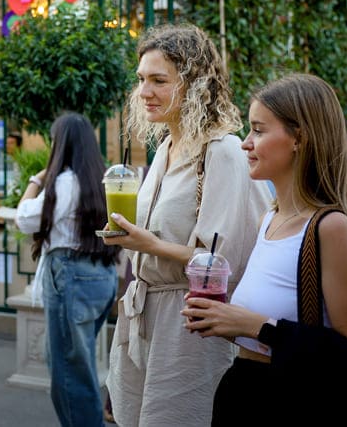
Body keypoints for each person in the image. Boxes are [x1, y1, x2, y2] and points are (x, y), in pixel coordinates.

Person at [182, 74, 347, 424]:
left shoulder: (330, 228)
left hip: (292, 406)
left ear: (299, 138)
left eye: (259, 130)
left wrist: (254, 325)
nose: (245, 143)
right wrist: (227, 322)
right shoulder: (270, 219)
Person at [103, 23, 270, 426]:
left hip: (189, 323)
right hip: (141, 315)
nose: (144, 91)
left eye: (159, 80)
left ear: (194, 85)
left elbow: (222, 263)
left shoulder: (223, 151)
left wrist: (150, 245)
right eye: (142, 79)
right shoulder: (165, 149)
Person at [14, 113, 120, 426]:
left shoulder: (63, 183)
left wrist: (36, 180)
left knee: (69, 370)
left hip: (72, 276)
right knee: (77, 361)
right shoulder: (101, 179)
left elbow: (24, 218)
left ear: (60, 144)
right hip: (101, 275)